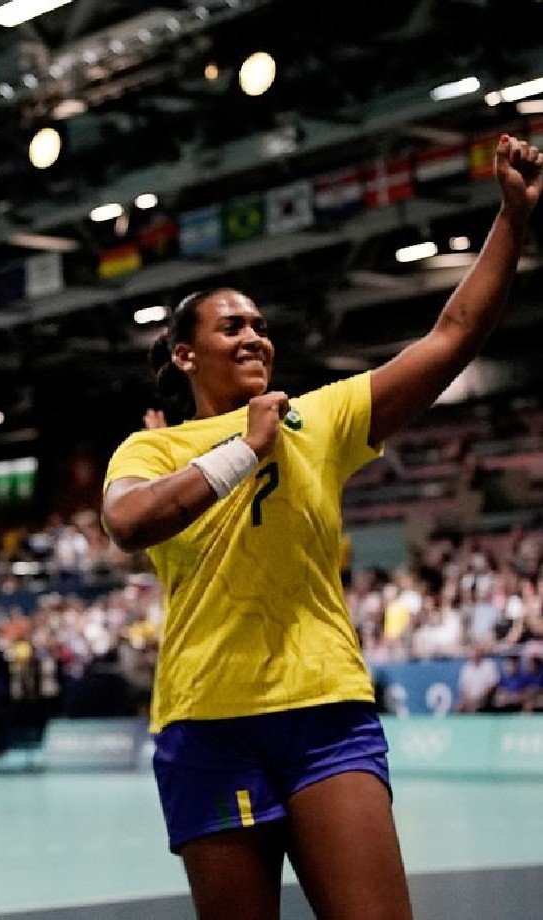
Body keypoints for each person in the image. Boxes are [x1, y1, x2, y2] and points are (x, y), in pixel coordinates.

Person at [101, 135, 542, 919]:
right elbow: (129, 523)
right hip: (207, 722)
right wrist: (246, 448)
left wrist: (511, 217)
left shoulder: (318, 419)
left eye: (259, 325)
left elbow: (451, 337)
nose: (253, 337)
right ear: (184, 353)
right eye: (230, 327)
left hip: (324, 711)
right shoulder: (151, 447)